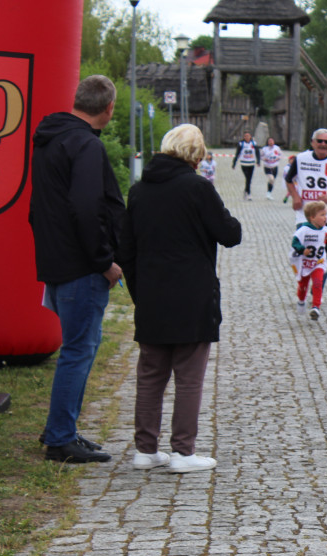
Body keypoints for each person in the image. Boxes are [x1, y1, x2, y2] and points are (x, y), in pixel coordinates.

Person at [117, 124, 242, 473]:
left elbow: (125, 249)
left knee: (151, 374)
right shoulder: (198, 188)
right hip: (192, 296)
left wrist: (139, 291)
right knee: (188, 376)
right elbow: (229, 234)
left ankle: (145, 449)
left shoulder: (139, 190)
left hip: (152, 296)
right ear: (197, 156)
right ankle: (183, 452)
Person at [30, 74, 125, 464]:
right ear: (109, 108)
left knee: (78, 348)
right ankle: (60, 439)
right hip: (82, 266)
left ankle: (63, 429)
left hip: (57, 259)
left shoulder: (51, 139)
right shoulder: (85, 144)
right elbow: (86, 209)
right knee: (78, 350)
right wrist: (105, 262)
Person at [284, 128, 327, 284]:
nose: (323, 144)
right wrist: (295, 196)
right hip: (305, 212)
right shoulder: (301, 159)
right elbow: (288, 179)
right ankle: (304, 282)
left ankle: (318, 286)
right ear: (312, 142)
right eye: (319, 141)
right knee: (304, 249)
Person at [291, 201, 327, 321]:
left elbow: (326, 241)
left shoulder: (326, 230)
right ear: (312, 217)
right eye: (322, 215)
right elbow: (295, 242)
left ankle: (316, 307)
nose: (326, 217)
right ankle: (301, 300)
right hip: (305, 263)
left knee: (318, 283)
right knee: (303, 285)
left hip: (318, 262)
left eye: (326, 214)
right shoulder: (303, 230)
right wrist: (302, 250)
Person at [231, 130, 258, 200]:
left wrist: (258, 161)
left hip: (251, 163)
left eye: (248, 136)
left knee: (249, 178)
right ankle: (248, 192)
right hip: (244, 163)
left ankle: (247, 192)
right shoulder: (241, 144)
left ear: (250, 137)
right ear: (244, 137)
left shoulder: (254, 143)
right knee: (247, 178)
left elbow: (257, 153)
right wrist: (234, 163)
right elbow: (237, 154)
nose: (247, 137)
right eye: (245, 136)